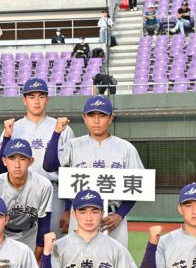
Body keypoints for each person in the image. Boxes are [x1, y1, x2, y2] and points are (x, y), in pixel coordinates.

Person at [0, 77, 74, 268]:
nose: (37, 100)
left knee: (47, 261)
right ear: (24, 99)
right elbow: (0, 167)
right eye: (31, 96)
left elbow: (68, 170)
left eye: (41, 95)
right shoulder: (14, 127)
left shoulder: (62, 127)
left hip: (49, 195)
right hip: (12, 200)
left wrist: (68, 207)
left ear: (47, 99)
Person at [44, 95, 144, 249]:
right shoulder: (73, 145)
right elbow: (49, 165)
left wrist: (120, 215)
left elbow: (137, 185)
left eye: (102, 115)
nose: (96, 120)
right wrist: (57, 132)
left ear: (111, 118)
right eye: (91, 115)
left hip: (112, 218)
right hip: (80, 214)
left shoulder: (126, 148)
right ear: (84, 118)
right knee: (77, 260)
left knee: (115, 261)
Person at [0, 139, 52, 256]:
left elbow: (44, 223)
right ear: (4, 161)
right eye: (12, 158)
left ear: (31, 161)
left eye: (22, 159)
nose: (17, 165)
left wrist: (38, 255)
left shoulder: (43, 184)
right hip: (2, 233)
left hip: (30, 233)